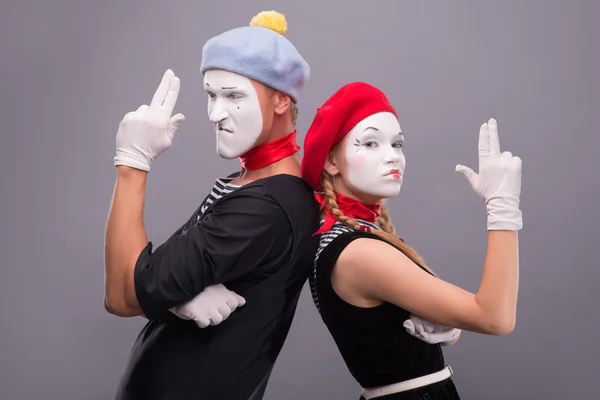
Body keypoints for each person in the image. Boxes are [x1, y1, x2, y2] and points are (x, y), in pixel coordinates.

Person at [103, 10, 320, 400]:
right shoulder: (248, 185)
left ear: (282, 101)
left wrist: (132, 163)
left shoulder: (266, 206)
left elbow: (123, 294)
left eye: (233, 96)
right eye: (211, 95)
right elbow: (149, 277)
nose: (215, 114)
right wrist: (174, 297)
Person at [300, 82, 523, 400]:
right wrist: (503, 205)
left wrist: (445, 322)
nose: (392, 157)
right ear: (331, 161)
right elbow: (496, 318)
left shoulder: (355, 236)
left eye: (397, 144)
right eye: (371, 143)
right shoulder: (359, 251)